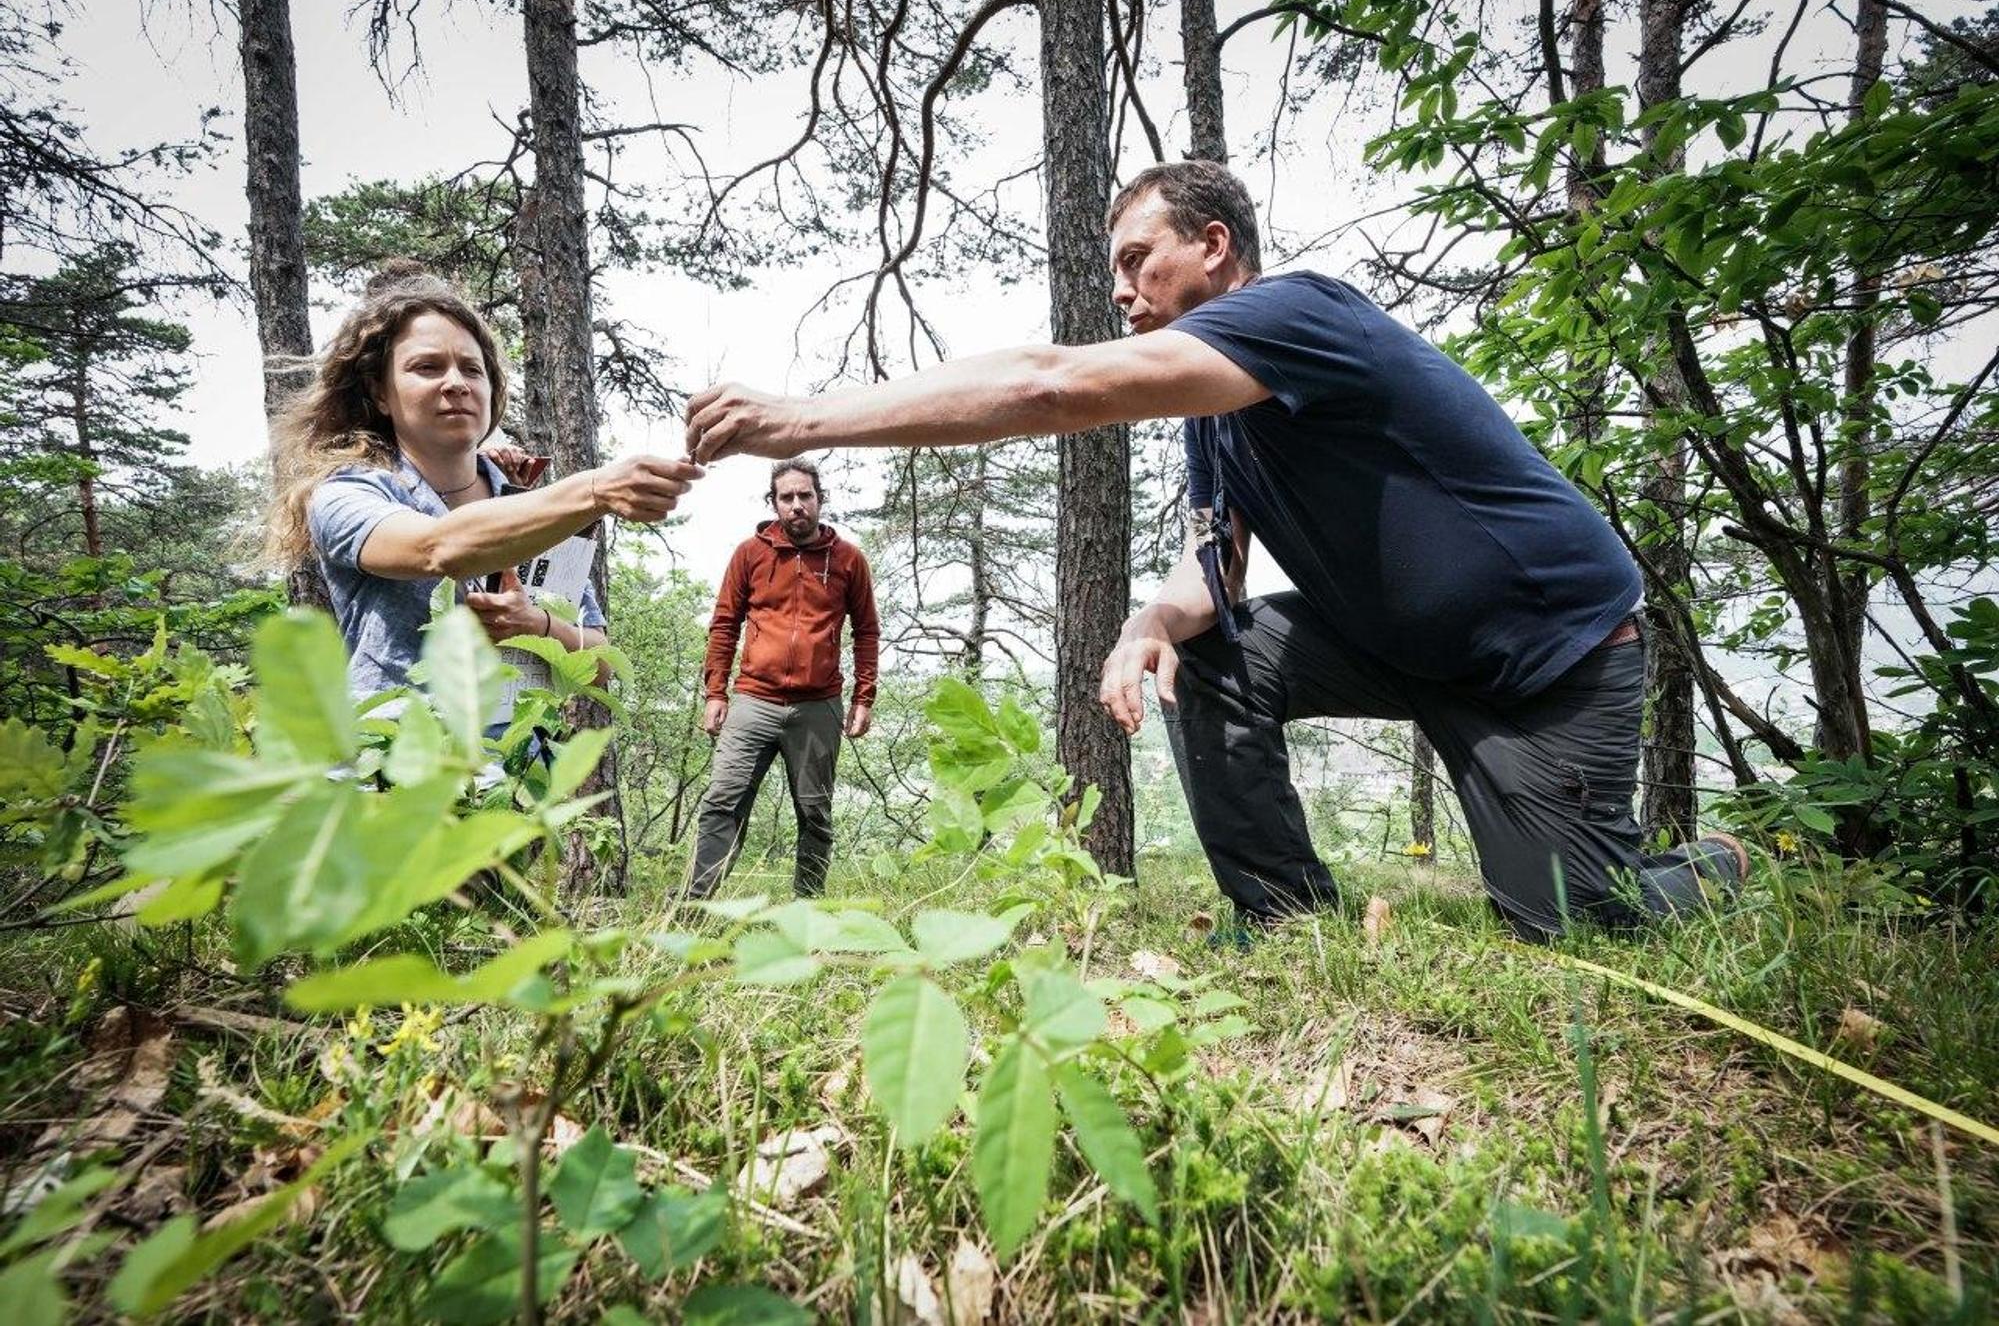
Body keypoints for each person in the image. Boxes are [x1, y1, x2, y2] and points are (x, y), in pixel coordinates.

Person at [680, 160, 1747, 942]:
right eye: (1117, 271)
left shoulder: (1299, 314)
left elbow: (1051, 384)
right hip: (1397, 646)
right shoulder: (1214, 417)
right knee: (1213, 654)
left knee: (1575, 922)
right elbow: (1217, 574)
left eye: (1139, 260)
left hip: (1547, 657)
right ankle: (1285, 916)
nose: (1122, 289)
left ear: (1215, 246)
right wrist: (1150, 621)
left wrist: (807, 417)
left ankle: (1710, 867)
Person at [265, 266, 703, 726]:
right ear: (379, 393)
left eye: (472, 369)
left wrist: (537, 625)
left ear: (492, 390)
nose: (456, 382)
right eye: (427, 367)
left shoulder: (531, 507)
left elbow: (600, 665)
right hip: (395, 767)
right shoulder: (348, 493)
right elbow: (437, 548)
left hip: (514, 774)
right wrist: (595, 489)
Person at [685, 458, 880, 899]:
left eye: (804, 496)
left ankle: (806, 913)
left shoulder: (848, 559)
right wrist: (715, 691)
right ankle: (693, 908)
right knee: (722, 801)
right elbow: (724, 624)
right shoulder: (749, 554)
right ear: (773, 503)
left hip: (819, 705)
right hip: (753, 699)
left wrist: (864, 698)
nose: (796, 505)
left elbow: (867, 630)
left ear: (819, 499)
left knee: (814, 812)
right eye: (786, 497)